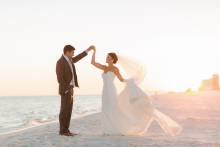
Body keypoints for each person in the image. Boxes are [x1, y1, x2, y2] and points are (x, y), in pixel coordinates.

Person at [91, 47, 183, 136]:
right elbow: (93, 63)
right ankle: (108, 130)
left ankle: (116, 129)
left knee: (112, 109)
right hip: (105, 91)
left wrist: (130, 81)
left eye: (108, 57)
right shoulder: (104, 68)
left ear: (112, 59)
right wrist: (93, 51)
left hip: (111, 91)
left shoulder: (115, 69)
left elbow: (121, 79)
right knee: (106, 109)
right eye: (107, 57)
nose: (106, 58)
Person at [56, 45, 94, 136]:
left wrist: (88, 50)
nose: (73, 54)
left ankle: (66, 130)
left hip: (71, 89)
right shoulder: (60, 62)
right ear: (67, 52)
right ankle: (62, 131)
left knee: (69, 110)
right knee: (64, 110)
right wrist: (67, 89)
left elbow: (78, 58)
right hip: (65, 90)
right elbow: (60, 78)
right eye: (72, 52)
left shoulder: (70, 60)